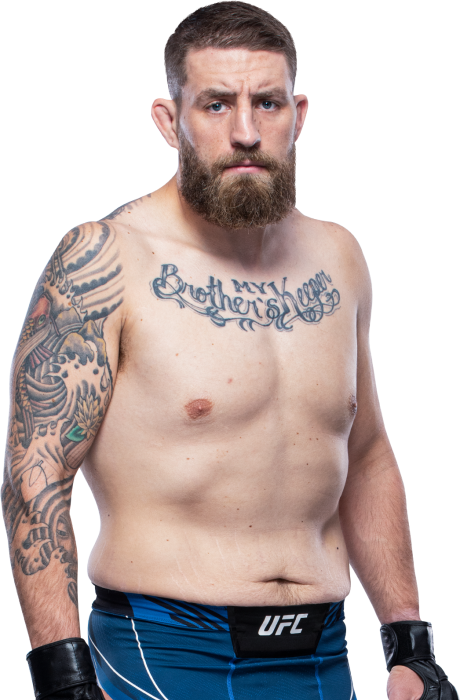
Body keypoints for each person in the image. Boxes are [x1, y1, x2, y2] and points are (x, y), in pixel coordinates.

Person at [2, 2, 457, 699]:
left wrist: (408, 641)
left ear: (297, 115)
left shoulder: (338, 257)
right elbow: (35, 475)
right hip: (162, 655)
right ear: (169, 120)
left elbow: (365, 453)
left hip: (324, 657)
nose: (245, 131)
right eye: (216, 104)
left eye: (266, 103)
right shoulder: (107, 259)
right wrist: (62, 675)